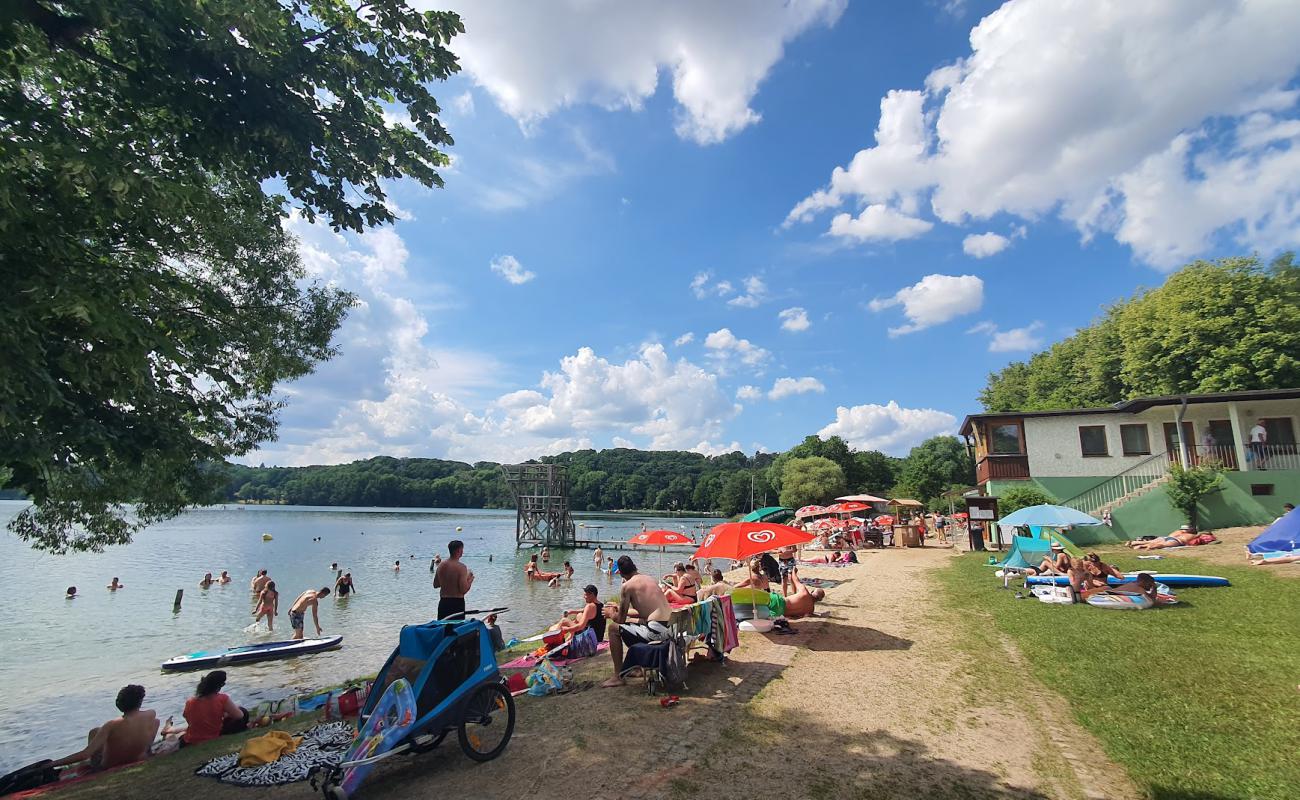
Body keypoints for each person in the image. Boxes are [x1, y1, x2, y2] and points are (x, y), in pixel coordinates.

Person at [602, 557, 673, 688]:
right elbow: (646, 611)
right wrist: (620, 607)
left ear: (621, 573)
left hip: (656, 632)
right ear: (635, 567)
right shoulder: (649, 579)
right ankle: (637, 668)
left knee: (613, 628)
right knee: (635, 623)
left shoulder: (627, 586)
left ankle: (618, 676)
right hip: (670, 628)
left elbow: (620, 620)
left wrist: (611, 613)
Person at [49, 685, 158, 771]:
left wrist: (52, 764)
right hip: (137, 757)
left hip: (109, 765)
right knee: (156, 722)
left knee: (94, 732)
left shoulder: (111, 725)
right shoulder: (151, 714)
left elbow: (85, 754)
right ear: (139, 702)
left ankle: (94, 767)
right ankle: (147, 751)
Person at [169, 671, 248, 747]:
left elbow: (187, 717)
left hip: (189, 739)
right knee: (242, 711)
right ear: (219, 686)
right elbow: (240, 715)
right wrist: (226, 713)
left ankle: (169, 730)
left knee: (186, 732)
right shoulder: (222, 699)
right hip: (210, 736)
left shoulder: (190, 701)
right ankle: (168, 731)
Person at [433, 540, 474, 619]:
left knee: (443, 629)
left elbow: (436, 584)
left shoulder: (441, 565)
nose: (463, 551)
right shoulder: (461, 567)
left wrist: (447, 581)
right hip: (457, 603)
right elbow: (463, 590)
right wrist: (470, 579)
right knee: (457, 629)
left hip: (443, 602)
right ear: (459, 550)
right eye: (462, 549)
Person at [1126, 526, 1200, 550]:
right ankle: (1142, 546)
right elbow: (1201, 536)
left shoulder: (1180, 531)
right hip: (1176, 541)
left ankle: (1134, 543)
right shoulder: (1193, 535)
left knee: (1150, 541)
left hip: (1166, 537)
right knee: (1163, 545)